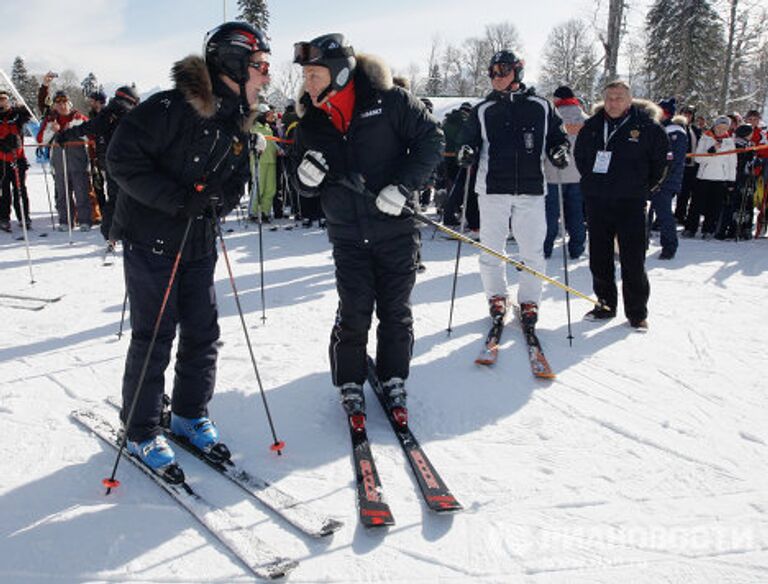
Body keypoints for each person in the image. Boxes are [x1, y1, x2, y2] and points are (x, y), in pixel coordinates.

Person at [106, 21, 270, 473]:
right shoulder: (168, 108)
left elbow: (235, 181)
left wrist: (219, 199)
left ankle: (188, 413)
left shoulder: (238, 121)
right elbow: (120, 160)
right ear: (233, 62)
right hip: (152, 241)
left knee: (203, 332)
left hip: (198, 242)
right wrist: (179, 200)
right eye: (259, 65)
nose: (265, 75)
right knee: (155, 336)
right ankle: (140, 429)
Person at [291, 33, 443, 427]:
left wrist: (404, 186)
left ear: (340, 72)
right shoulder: (312, 122)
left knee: (395, 310)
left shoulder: (390, 100)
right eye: (305, 75)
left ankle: (394, 377)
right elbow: (301, 182)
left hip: (395, 228)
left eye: (314, 74)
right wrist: (306, 181)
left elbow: (431, 140)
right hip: (347, 233)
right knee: (354, 312)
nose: (308, 82)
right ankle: (349, 381)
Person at [456, 49, 569, 333]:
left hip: (531, 189)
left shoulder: (541, 106)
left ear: (517, 71)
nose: (496, 76)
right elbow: (467, 140)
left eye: (503, 70)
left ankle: (530, 300)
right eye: (492, 71)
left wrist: (559, 151)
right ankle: (496, 296)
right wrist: (467, 151)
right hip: (492, 188)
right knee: (492, 249)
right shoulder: (483, 109)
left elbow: (559, 136)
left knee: (532, 249)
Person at [574, 79, 669, 330]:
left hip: (631, 202)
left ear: (629, 100)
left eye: (619, 97)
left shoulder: (647, 127)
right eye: (609, 98)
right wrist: (592, 183)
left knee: (633, 259)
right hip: (598, 201)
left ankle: (637, 313)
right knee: (599, 257)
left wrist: (642, 188)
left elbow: (660, 164)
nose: (613, 102)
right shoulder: (592, 126)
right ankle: (605, 304)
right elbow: (581, 158)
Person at [58, 86, 140, 244]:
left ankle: (111, 233)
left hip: (114, 161)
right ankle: (128, 231)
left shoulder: (109, 112)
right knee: (133, 196)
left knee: (116, 197)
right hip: (133, 162)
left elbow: (89, 127)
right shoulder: (135, 113)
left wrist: (66, 135)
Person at [36, 87, 91, 230]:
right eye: (58, 102)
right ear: (54, 105)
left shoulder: (78, 118)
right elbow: (41, 140)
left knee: (82, 192)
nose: (62, 105)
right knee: (62, 194)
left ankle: (85, 220)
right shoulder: (50, 121)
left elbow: (91, 135)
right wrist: (51, 130)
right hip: (59, 163)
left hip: (78, 162)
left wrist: (75, 128)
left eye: (64, 102)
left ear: (69, 103)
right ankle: (65, 221)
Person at [543, 85, 587, 260]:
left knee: (550, 214)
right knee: (576, 213)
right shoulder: (586, 120)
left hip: (553, 174)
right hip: (578, 175)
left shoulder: (551, 119)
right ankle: (576, 248)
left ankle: (545, 247)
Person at [681, 116, 736, 240]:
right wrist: (712, 150)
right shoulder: (705, 138)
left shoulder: (729, 141)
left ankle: (708, 229)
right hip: (703, 177)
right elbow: (698, 158)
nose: (721, 130)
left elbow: (732, 163)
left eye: (724, 128)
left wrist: (731, 181)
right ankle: (690, 228)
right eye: (719, 127)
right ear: (714, 126)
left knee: (714, 206)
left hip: (720, 178)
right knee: (696, 205)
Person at [649, 97, 687, 259]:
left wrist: (662, 179)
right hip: (653, 178)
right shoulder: (658, 128)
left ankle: (669, 246)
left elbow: (674, 160)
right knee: (646, 213)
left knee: (663, 214)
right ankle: (641, 243)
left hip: (665, 180)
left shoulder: (675, 131)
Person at [0, 89, 32, 233]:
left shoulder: (15, 114)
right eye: (0, 99)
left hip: (17, 157)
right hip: (2, 159)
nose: (2, 101)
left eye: (4, 98)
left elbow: (28, 117)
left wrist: (21, 107)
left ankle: (24, 217)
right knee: (4, 190)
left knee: (20, 189)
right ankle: (4, 218)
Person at [249, 103, 278, 222]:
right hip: (259, 161)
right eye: (266, 114)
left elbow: (272, 143)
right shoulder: (253, 128)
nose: (268, 116)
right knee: (259, 187)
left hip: (271, 160)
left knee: (270, 188)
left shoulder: (268, 128)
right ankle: (254, 212)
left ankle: (265, 211)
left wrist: (279, 149)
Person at [674, 104, 701, 225]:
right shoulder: (676, 128)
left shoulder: (695, 129)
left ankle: (681, 214)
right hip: (680, 165)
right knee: (677, 192)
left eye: (690, 114)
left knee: (687, 192)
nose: (687, 116)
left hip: (693, 166)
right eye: (685, 113)